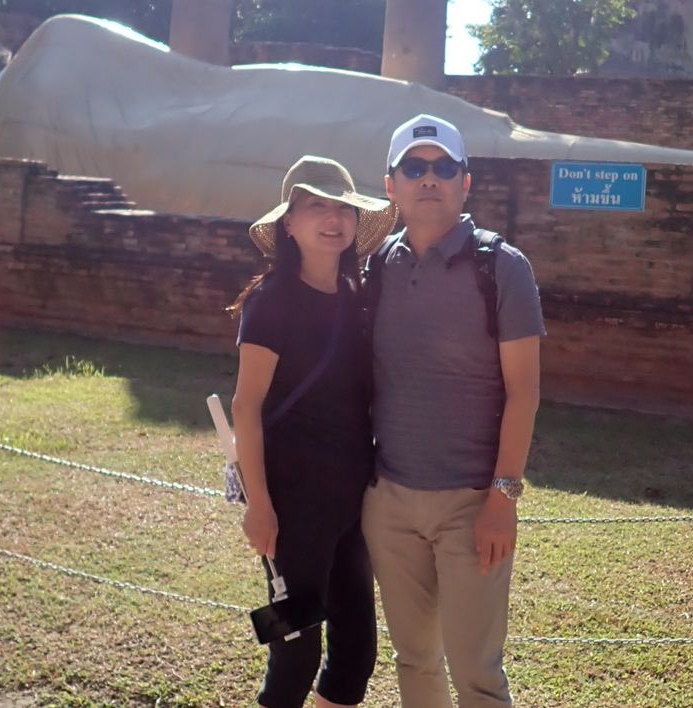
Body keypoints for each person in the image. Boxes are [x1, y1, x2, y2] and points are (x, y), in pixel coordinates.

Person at [361, 114, 544, 707]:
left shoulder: (502, 267)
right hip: (389, 500)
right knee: (414, 660)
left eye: (444, 167)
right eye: (414, 167)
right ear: (390, 185)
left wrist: (502, 499)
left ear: (465, 183)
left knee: (477, 676)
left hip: (472, 503)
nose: (429, 179)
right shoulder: (375, 267)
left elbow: (524, 391)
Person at [229, 155, 398, 708]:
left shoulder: (357, 298)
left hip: (350, 504)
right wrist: (259, 505)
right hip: (291, 506)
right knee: (294, 654)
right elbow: (246, 406)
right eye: (315, 206)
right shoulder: (271, 301)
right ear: (290, 224)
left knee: (356, 655)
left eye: (342, 207)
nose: (332, 218)